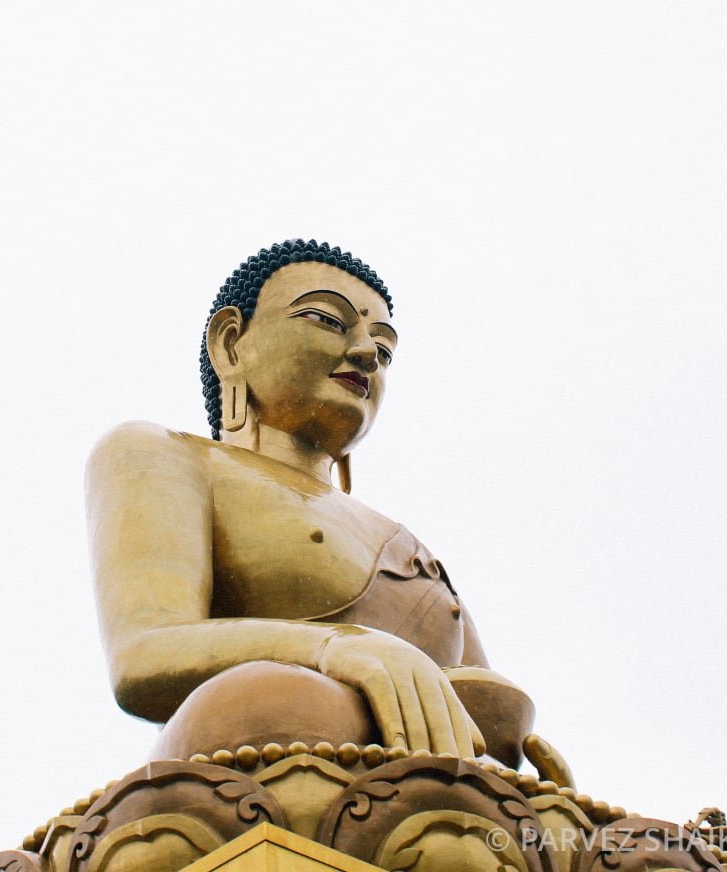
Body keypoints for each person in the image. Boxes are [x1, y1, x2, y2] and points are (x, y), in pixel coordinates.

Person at [86, 239, 536, 765]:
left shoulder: (410, 547)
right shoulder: (163, 454)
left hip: (427, 791)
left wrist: (510, 732)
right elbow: (142, 655)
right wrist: (335, 648)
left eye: (384, 349)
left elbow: (473, 699)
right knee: (268, 702)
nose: (368, 355)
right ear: (231, 344)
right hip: (267, 745)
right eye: (328, 319)